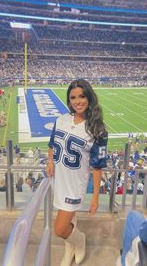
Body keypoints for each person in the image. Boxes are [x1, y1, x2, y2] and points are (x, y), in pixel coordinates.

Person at [46, 79, 108, 266]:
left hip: (75, 185)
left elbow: (97, 166)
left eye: (81, 96)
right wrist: (50, 161)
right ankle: (69, 247)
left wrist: (95, 196)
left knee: (59, 228)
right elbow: (51, 145)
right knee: (69, 220)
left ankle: (79, 240)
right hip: (59, 180)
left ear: (89, 97)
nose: (77, 101)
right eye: (73, 97)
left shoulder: (97, 129)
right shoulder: (61, 120)